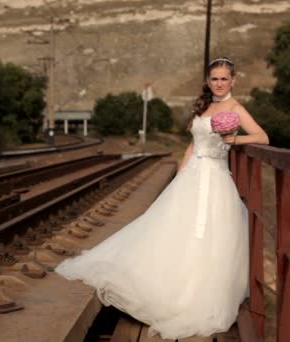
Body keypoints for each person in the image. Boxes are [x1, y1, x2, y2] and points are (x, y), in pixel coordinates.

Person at [55, 57, 269, 340]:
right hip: (191, 177)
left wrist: (234, 141)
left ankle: (193, 297)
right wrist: (179, 176)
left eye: (224, 78)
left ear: (233, 80)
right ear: (208, 81)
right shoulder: (204, 106)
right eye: (214, 78)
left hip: (215, 179)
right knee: (174, 232)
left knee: (207, 238)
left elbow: (262, 137)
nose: (219, 83)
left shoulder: (236, 108)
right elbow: (192, 145)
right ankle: (165, 287)